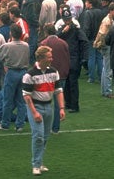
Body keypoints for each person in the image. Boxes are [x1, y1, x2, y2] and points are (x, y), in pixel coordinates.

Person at [22, 45, 65, 175]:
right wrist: (34, 112)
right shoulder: (29, 75)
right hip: (36, 107)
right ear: (41, 58)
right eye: (49, 57)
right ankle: (35, 164)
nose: (52, 59)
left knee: (45, 136)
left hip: (49, 106)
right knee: (38, 136)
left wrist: (62, 108)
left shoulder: (53, 72)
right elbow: (27, 96)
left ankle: (39, 162)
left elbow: (58, 91)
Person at [0, 23, 30, 132]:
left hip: (11, 73)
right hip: (24, 72)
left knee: (7, 99)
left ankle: (5, 123)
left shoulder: (7, 45)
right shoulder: (26, 45)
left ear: (11, 33)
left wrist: (6, 62)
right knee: (21, 100)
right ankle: (19, 124)